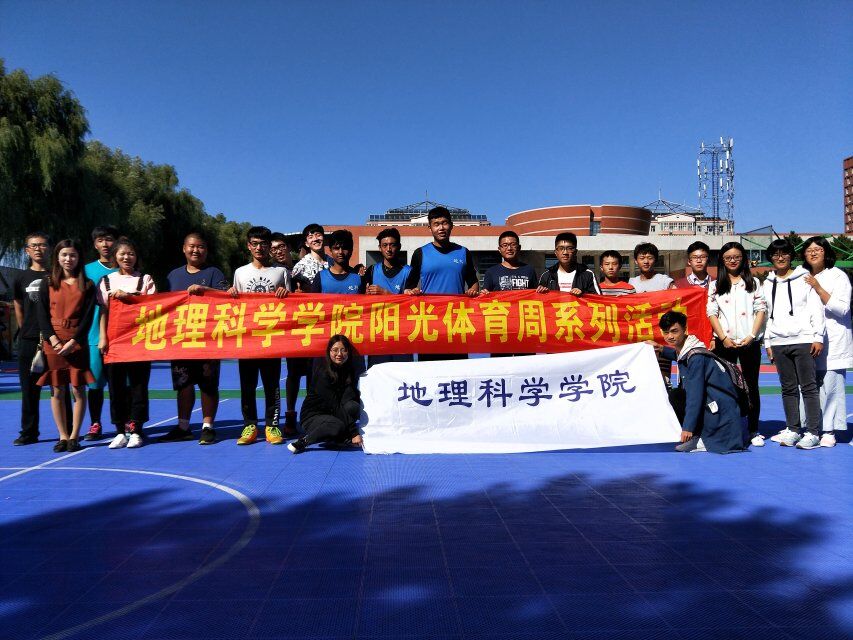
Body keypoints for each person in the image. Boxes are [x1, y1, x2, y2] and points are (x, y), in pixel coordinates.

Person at [159, 232, 229, 445]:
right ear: (184, 248)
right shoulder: (173, 276)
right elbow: (161, 305)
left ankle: (208, 427)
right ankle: (183, 427)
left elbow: (227, 299)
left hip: (208, 339)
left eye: (200, 247)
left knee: (208, 384)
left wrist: (205, 290)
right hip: (180, 339)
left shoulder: (214, 273)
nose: (195, 250)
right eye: (192, 246)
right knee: (184, 384)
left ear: (206, 250)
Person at [228, 226, 290, 445]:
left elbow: (292, 305)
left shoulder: (280, 272)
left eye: (263, 244)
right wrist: (231, 294)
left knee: (272, 385)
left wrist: (286, 293)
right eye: (254, 243)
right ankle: (250, 426)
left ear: (269, 247)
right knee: (247, 385)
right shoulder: (240, 272)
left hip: (271, 338)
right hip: (247, 339)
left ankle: (272, 425)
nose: (259, 248)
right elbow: (234, 304)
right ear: (248, 246)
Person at [762, 238, 825, 450]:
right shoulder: (767, 283)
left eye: (784, 253)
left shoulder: (804, 278)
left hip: (803, 340)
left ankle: (813, 432)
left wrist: (818, 336)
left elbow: (816, 308)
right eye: (776, 254)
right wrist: (768, 342)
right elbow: (766, 316)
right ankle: (793, 429)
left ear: (791, 256)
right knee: (787, 388)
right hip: (778, 342)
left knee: (808, 387)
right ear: (771, 258)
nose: (780, 258)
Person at [657, 311, 748, 454]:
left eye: (674, 331)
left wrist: (688, 428)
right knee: (678, 395)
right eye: (666, 332)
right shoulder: (691, 349)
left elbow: (695, 397)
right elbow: (679, 356)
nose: (670, 336)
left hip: (720, 410)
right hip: (722, 405)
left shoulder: (696, 358)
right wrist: (661, 348)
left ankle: (698, 437)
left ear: (685, 329)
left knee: (678, 396)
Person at [37, 240, 96, 453]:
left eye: (72, 255)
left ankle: (74, 436)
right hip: (53, 342)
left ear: (79, 258)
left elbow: (88, 317)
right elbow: (42, 315)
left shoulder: (88, 285)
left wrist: (73, 342)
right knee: (57, 389)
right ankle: (62, 435)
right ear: (57, 257)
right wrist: (53, 340)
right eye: (64, 255)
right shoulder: (47, 283)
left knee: (78, 389)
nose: (68, 259)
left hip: (76, 341)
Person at [98, 237, 157, 449]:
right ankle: (120, 431)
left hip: (139, 340)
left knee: (139, 386)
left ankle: (137, 429)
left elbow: (153, 307)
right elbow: (103, 311)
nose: (127, 257)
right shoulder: (106, 280)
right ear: (115, 256)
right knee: (116, 387)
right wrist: (103, 337)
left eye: (131, 253)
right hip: (115, 341)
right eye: (122, 253)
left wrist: (129, 297)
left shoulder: (145, 279)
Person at [707, 242, 766, 446]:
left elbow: (760, 310)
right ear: (722, 261)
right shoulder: (715, 285)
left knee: (751, 386)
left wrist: (752, 335)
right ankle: (729, 428)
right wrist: (723, 338)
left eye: (737, 257)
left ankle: (753, 429)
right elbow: (712, 313)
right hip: (725, 342)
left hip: (749, 342)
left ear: (743, 259)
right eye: (728, 257)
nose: (732, 260)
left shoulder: (754, 283)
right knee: (726, 386)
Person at [404, 206, 479, 361]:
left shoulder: (463, 252)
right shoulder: (420, 253)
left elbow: (473, 282)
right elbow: (408, 287)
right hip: (430, 322)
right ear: (430, 228)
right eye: (436, 224)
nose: (441, 228)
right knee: (430, 369)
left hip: (457, 322)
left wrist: (473, 291)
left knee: (457, 370)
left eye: (444, 223)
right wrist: (412, 292)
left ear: (451, 225)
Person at [800, 236, 852, 447]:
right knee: (808, 386)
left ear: (826, 252)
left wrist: (818, 288)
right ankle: (810, 427)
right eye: (809, 250)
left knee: (831, 386)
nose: (813, 253)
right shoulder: (801, 276)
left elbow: (842, 309)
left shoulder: (838, 276)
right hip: (806, 339)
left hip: (833, 340)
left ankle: (829, 430)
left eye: (818, 249)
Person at [285, 223, 329, 435]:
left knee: (317, 374)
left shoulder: (331, 264)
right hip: (302, 326)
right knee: (294, 373)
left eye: (318, 234)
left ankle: (313, 416)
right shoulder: (300, 266)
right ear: (306, 242)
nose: (315, 238)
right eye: (311, 236)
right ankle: (290, 415)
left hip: (324, 326)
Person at [287, 335, 363, 454]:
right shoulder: (323, 372)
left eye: (343, 350)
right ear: (329, 351)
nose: (339, 354)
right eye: (335, 350)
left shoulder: (348, 371)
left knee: (354, 407)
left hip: (332, 413)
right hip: (313, 416)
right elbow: (335, 405)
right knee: (336, 426)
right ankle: (304, 441)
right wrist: (354, 432)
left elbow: (350, 397)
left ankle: (336, 437)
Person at [12, 232, 51, 445]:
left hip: (54, 339)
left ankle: (67, 432)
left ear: (49, 248)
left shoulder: (57, 275)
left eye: (42, 245)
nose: (38, 249)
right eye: (33, 245)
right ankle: (29, 432)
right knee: (29, 389)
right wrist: (25, 328)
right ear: (27, 250)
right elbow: (18, 304)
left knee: (59, 388)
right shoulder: (21, 277)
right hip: (29, 340)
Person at [82, 225, 119, 441]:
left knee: (120, 385)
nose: (105, 244)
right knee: (94, 384)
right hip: (94, 336)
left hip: (121, 337)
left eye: (109, 239)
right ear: (95, 244)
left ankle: (124, 423)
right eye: (100, 240)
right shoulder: (86, 270)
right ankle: (95, 423)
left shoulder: (125, 269)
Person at [363, 228, 414, 367]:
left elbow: (411, 304)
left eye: (392, 245)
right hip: (378, 333)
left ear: (399, 247)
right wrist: (366, 296)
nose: (389, 249)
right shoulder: (371, 271)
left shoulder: (408, 272)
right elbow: (363, 301)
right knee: (378, 374)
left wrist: (386, 294)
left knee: (403, 375)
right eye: (385, 245)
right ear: (379, 248)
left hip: (402, 334)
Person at [629, 242, 675, 388]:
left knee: (664, 382)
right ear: (636, 261)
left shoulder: (664, 281)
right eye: (642, 258)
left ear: (655, 260)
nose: (646, 261)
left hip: (661, 340)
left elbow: (679, 299)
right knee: (641, 381)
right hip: (640, 339)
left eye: (649, 258)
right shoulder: (631, 283)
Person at [536, 232, 600, 295]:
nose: (565, 252)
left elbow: (599, 299)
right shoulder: (546, 276)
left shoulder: (588, 274)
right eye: (561, 248)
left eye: (569, 249)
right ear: (555, 252)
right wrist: (541, 293)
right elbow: (537, 299)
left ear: (575, 252)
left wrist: (583, 295)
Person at [311, 229, 365, 295]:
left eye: (344, 248)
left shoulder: (359, 278)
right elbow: (312, 300)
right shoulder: (320, 277)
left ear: (351, 250)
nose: (340, 252)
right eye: (336, 248)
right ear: (330, 250)